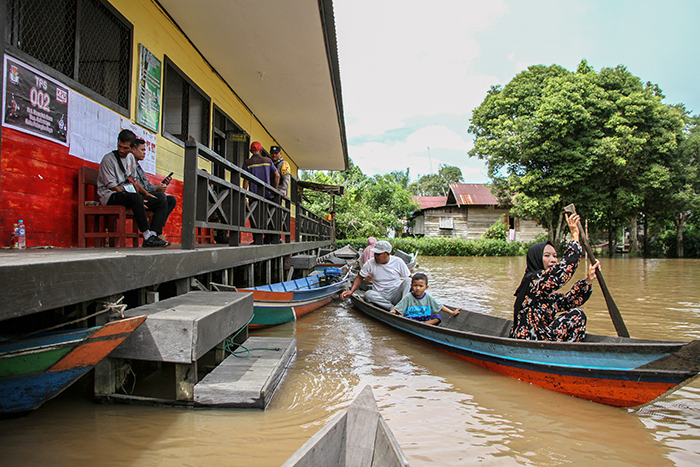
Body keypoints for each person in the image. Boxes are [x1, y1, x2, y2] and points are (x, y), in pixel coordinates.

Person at [509, 213, 600, 341]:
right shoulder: (533, 281)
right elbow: (563, 273)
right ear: (536, 259)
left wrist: (588, 280)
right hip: (529, 339)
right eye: (547, 256)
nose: (553, 260)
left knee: (577, 315)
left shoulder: (547, 293)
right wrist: (574, 236)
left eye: (555, 256)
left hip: (543, 337)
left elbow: (569, 301)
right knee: (577, 315)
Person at [96, 129, 169, 247]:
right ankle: (147, 235)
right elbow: (112, 186)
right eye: (119, 146)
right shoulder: (108, 159)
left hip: (130, 195)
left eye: (125, 148)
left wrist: (145, 194)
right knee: (135, 197)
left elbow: (134, 181)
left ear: (132, 148)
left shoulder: (130, 158)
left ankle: (154, 234)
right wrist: (136, 199)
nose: (121, 150)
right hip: (110, 195)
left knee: (160, 198)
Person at [340, 240, 411, 310]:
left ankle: (402, 306)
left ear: (387, 254)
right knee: (368, 294)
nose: (375, 256)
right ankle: (393, 308)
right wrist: (351, 291)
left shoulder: (398, 262)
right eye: (375, 253)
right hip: (379, 295)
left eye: (378, 254)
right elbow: (359, 277)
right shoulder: (370, 263)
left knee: (408, 281)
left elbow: (411, 278)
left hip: (395, 293)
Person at [131, 138, 177, 244]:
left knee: (171, 200)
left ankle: (155, 231)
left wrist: (161, 185)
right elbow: (136, 185)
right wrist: (156, 189)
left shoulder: (138, 167)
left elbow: (146, 186)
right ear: (134, 149)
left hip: (146, 193)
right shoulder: (130, 165)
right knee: (161, 197)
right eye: (142, 150)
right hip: (137, 196)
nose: (144, 153)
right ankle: (155, 233)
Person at [390, 273, 461, 325]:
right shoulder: (408, 297)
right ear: (411, 286)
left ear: (426, 287)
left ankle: (424, 324)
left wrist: (452, 312)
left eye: (421, 286)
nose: (418, 288)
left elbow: (440, 306)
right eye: (415, 285)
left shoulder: (428, 297)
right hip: (411, 319)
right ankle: (420, 324)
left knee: (438, 317)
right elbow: (396, 309)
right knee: (402, 317)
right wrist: (393, 313)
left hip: (424, 318)